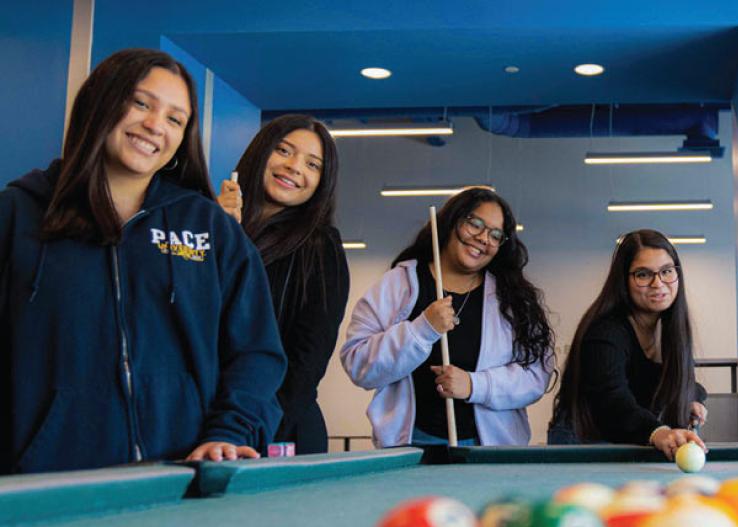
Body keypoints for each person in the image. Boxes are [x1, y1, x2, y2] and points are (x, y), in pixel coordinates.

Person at [0, 48, 286, 473]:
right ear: (100, 104)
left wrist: (228, 432)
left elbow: (257, 351)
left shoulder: (208, 227)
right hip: (44, 489)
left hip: (182, 485)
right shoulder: (17, 214)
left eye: (175, 118)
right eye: (141, 103)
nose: (155, 125)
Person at [340, 187, 553, 446]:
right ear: (452, 221)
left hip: (490, 452)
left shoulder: (513, 298)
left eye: (495, 235)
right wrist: (422, 330)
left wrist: (474, 385)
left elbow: (535, 378)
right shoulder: (398, 284)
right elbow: (358, 364)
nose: (483, 238)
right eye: (475, 224)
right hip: (411, 449)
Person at [217, 115, 349, 455]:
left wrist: (252, 429)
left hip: (276, 430)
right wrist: (220, 236)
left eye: (312, 164)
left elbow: (308, 359)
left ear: (322, 181)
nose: (294, 167)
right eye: (283, 151)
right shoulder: (213, 227)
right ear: (260, 153)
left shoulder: (320, 245)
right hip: (211, 426)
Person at [549, 229, 707, 460]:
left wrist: (692, 397)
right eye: (643, 274)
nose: (658, 283)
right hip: (583, 442)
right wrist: (659, 431)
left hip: (626, 438)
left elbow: (682, 380)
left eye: (666, 271)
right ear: (624, 280)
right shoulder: (605, 331)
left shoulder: (670, 330)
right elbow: (612, 400)